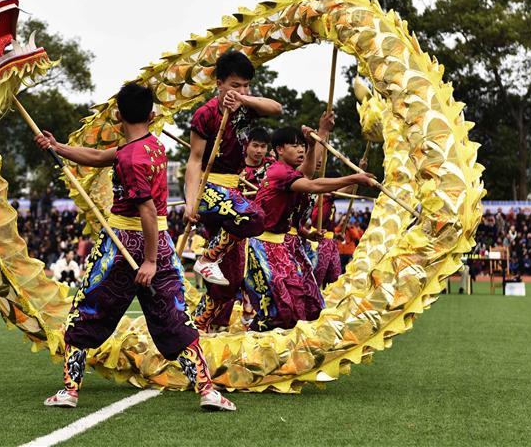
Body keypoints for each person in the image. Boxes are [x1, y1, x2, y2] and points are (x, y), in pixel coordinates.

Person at [36, 82, 235, 411]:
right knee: (174, 316)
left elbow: (145, 210)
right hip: (160, 242)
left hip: (125, 246)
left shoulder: (130, 158)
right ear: (152, 114)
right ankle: (207, 390)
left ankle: (70, 390)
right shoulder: (154, 147)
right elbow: (101, 157)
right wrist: (57, 148)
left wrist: (150, 262)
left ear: (117, 115)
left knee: (86, 314)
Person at [184, 52, 281, 330]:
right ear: (219, 84)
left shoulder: (246, 107)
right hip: (209, 188)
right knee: (255, 218)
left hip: (233, 191)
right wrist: (192, 202)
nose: (242, 91)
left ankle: (203, 328)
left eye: (246, 86)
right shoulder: (205, 114)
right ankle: (207, 257)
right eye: (235, 85)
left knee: (231, 277)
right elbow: (194, 161)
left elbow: (276, 109)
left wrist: (244, 99)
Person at [244, 124, 374, 329]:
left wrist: (314, 144)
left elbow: (308, 175)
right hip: (262, 245)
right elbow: (314, 185)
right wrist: (354, 177)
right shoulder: (279, 172)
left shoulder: (290, 172)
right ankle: (254, 342)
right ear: (279, 149)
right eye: (295, 146)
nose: (301, 150)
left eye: (302, 146)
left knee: (309, 300)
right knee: (281, 307)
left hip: (283, 245)